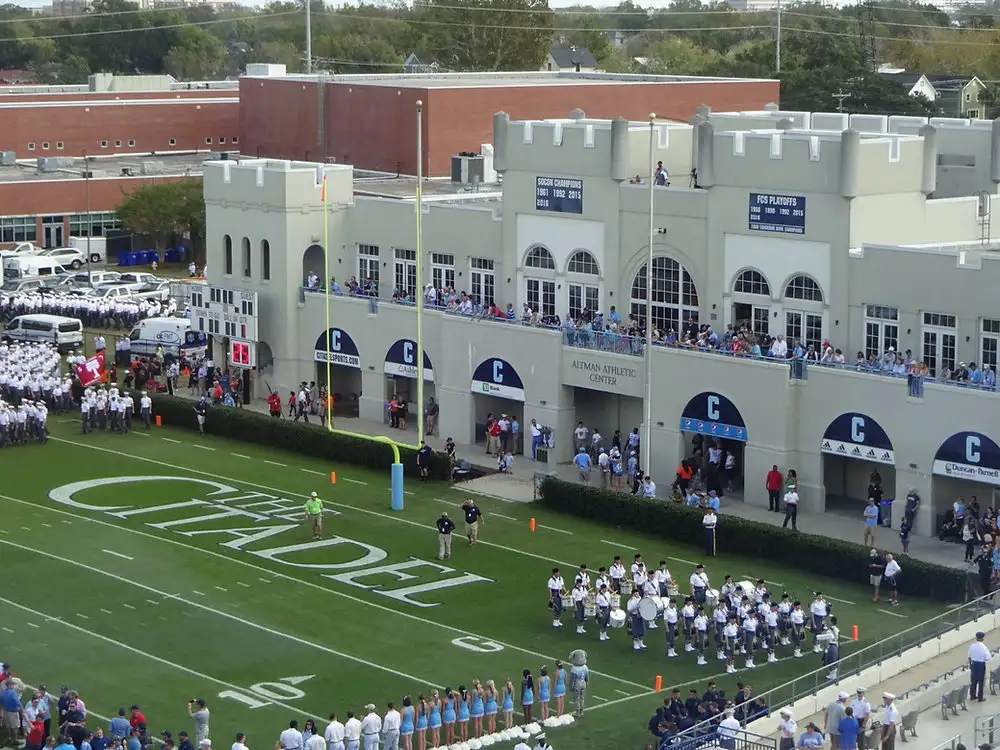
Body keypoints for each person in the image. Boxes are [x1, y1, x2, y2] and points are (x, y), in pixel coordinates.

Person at [969, 631, 991, 702]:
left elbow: (969, 656)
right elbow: (988, 657)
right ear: (982, 638)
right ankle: (980, 697)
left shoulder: (972, 646)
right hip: (981, 665)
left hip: (973, 664)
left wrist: (970, 665)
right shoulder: (984, 648)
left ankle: (972, 695)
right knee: (981, 682)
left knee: (973, 681)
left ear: (976, 638)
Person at [568, 649, 589, 718]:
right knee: (582, 697)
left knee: (576, 698)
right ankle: (582, 711)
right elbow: (587, 677)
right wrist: (587, 683)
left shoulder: (574, 668)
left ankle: (577, 712)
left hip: (577, 684)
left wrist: (571, 687)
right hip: (583, 683)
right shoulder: (585, 667)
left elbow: (572, 679)